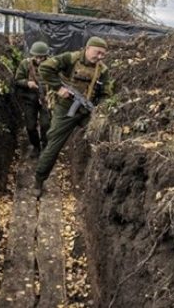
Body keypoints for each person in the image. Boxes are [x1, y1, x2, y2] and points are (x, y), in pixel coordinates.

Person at [34, 36, 113, 198]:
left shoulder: (102, 70)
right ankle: (39, 180)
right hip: (65, 109)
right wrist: (58, 88)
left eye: (103, 55)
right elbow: (45, 68)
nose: (99, 57)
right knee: (54, 145)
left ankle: (93, 178)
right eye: (97, 52)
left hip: (87, 111)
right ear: (88, 48)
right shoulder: (70, 58)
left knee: (102, 136)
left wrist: (100, 110)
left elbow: (106, 93)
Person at [14, 41, 52, 158]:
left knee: (46, 124)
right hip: (30, 99)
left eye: (42, 57)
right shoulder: (25, 64)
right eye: (37, 57)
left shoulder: (52, 64)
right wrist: (27, 83)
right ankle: (36, 146)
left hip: (46, 99)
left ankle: (45, 145)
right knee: (30, 126)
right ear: (33, 55)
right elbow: (17, 80)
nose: (39, 59)